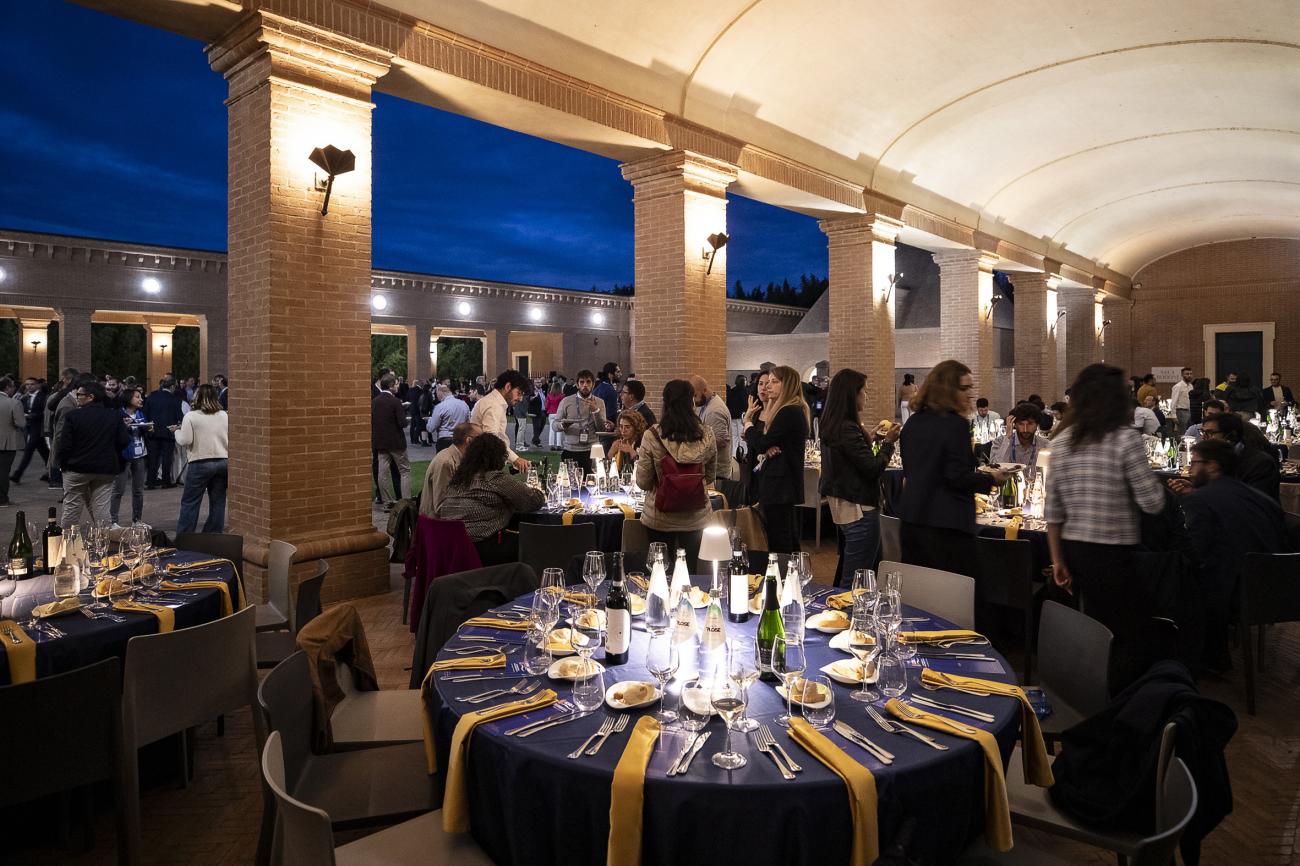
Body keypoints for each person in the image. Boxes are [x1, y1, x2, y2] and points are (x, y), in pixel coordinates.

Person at [1046, 363, 1167, 691]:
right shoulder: (1125, 439)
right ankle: (1119, 697)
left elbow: (1053, 511)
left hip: (1074, 549)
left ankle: (1087, 692)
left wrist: (1057, 561)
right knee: (1128, 631)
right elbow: (1152, 503)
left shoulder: (1061, 441)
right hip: (1113, 551)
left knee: (1091, 624)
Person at [1168, 438, 1289, 668]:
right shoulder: (1260, 498)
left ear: (1212, 465)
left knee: (1179, 576)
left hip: (1234, 594)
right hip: (1279, 588)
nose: (1190, 469)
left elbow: (1196, 552)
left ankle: (1196, 659)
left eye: (1194, 463)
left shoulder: (1201, 501)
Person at [897, 361, 1008, 592]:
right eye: (964, 388)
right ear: (947, 389)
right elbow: (956, 477)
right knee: (958, 595)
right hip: (947, 526)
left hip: (912, 520)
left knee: (921, 594)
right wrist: (991, 479)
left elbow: (912, 472)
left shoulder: (912, 423)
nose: (970, 394)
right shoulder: (955, 425)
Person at [819, 369, 898, 579]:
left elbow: (849, 457)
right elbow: (872, 468)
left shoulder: (833, 423)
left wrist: (869, 438)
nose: (867, 396)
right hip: (859, 508)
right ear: (851, 395)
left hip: (846, 505)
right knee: (856, 577)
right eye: (864, 390)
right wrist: (889, 443)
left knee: (863, 570)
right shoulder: (847, 427)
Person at [635, 379, 718, 569]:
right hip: (696, 516)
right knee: (690, 570)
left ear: (665, 403)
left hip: (659, 517)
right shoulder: (707, 434)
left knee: (660, 571)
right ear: (692, 402)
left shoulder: (652, 436)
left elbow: (643, 482)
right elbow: (710, 476)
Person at [437, 434, 544, 565]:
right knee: (534, 543)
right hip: (481, 546)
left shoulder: (458, 479)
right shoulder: (494, 478)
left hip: (451, 547)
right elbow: (533, 500)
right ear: (498, 457)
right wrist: (537, 491)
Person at [743, 365, 810, 553]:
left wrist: (748, 424)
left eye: (774, 382)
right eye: (766, 382)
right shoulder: (787, 409)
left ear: (787, 384)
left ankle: (782, 572)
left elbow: (763, 442)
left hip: (780, 486)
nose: (768, 386)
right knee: (785, 537)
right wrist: (765, 447)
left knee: (780, 541)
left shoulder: (789, 410)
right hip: (779, 484)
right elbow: (768, 443)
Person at [56, 381, 129, 528]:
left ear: (90, 397)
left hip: (77, 468)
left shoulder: (73, 416)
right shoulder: (114, 416)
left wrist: (63, 464)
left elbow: (65, 445)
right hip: (105, 468)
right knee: (102, 510)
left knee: (72, 508)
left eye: (79, 394)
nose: (77, 397)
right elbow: (123, 441)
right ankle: (103, 540)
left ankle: (68, 541)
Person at [174, 385, 228, 534]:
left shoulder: (191, 416)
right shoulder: (224, 415)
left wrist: (177, 431)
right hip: (223, 461)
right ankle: (212, 536)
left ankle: (185, 539)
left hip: (200, 462)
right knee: (218, 502)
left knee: (190, 502)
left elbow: (185, 440)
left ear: (196, 397)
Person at [1201, 411, 1280, 502]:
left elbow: (1251, 502)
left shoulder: (1260, 463)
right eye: (1203, 432)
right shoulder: (1210, 460)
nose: (1203, 438)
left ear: (1230, 436)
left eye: (1210, 433)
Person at [469, 369, 531, 471]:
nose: (520, 399)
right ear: (508, 387)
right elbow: (491, 440)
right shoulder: (493, 405)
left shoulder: (494, 402)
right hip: (485, 465)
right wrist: (515, 459)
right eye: (519, 393)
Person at [551, 369, 606, 475]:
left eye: (588, 382)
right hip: (571, 450)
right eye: (582, 382)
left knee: (593, 482)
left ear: (593, 384)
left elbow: (602, 429)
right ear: (577, 385)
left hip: (593, 450)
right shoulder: (566, 401)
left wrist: (596, 411)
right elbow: (554, 425)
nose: (585, 385)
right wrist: (563, 425)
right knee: (571, 482)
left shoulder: (599, 402)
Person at [419, 422, 479, 518]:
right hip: (437, 523)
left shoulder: (459, 458)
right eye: (480, 439)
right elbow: (441, 506)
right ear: (469, 440)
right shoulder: (445, 463)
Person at [110, 386, 149, 527]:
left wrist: (148, 429)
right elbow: (112, 434)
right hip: (123, 456)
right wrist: (123, 428)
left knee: (138, 490)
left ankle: (137, 520)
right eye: (137, 397)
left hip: (140, 455)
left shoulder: (141, 414)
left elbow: (144, 430)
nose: (141, 399)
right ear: (128, 399)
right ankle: (113, 521)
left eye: (141, 397)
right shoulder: (118, 414)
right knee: (118, 490)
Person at [371, 373, 410, 508]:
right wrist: (403, 411)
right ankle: (406, 502)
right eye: (397, 384)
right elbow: (402, 423)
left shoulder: (374, 401)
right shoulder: (395, 402)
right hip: (396, 443)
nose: (398, 386)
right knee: (404, 471)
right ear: (391, 385)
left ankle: (387, 502)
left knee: (382, 473)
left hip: (380, 443)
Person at [690, 375, 734, 480]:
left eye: (695, 395)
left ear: (705, 390)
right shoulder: (706, 404)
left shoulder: (715, 411)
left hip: (717, 472)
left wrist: (695, 446)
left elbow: (722, 441)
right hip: (713, 470)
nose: (694, 400)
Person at [143, 375, 183, 489]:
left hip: (153, 432)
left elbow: (145, 413)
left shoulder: (152, 396)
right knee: (167, 458)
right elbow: (180, 417)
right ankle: (166, 481)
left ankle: (150, 482)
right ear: (172, 387)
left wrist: (149, 429)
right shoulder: (175, 399)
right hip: (168, 432)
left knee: (153, 458)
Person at [10, 378, 49, 484]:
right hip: (29, 427)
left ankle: (17, 474)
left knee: (29, 449)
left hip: (39, 427)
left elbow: (44, 413)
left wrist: (30, 416)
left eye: (32, 384)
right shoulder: (24, 397)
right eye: (27, 384)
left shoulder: (44, 397)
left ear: (37, 385)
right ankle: (53, 472)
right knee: (44, 452)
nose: (29, 386)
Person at [991, 402, 1050, 469]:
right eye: (1021, 424)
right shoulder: (1000, 442)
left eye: (1030, 424)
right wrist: (1007, 438)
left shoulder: (1045, 445)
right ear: (1014, 424)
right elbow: (995, 468)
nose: (1025, 429)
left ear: (1037, 425)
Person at [0, 377, 25, 507]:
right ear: (7, 387)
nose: (14, 389)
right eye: (12, 386)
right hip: (7, 442)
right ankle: (2, 499)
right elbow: (21, 423)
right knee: (3, 471)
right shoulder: (14, 403)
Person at [426, 385, 470, 452]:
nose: (436, 396)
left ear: (440, 393)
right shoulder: (464, 404)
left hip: (445, 440)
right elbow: (468, 423)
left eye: (436, 394)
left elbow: (431, 428)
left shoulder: (440, 407)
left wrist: (429, 420)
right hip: (460, 439)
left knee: (444, 458)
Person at [607, 410, 646, 475]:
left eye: (627, 427)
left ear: (636, 428)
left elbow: (644, 469)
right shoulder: (618, 442)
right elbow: (606, 470)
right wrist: (610, 454)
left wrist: (631, 452)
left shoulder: (643, 443)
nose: (623, 431)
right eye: (621, 426)